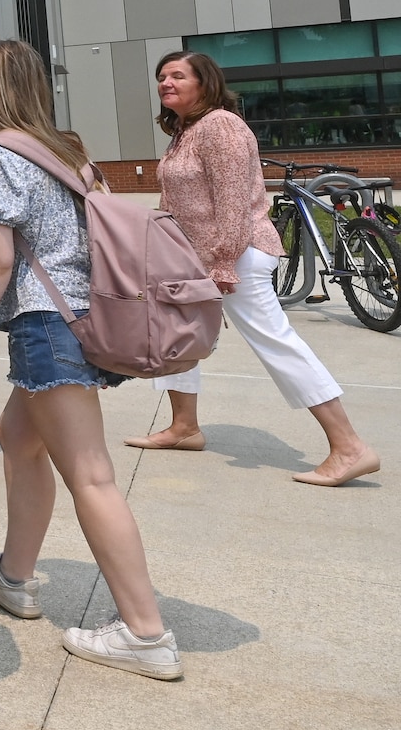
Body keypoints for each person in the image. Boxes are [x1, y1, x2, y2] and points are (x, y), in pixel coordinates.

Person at [0, 39, 182, 680]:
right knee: (15, 437)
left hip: (47, 323)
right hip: (88, 316)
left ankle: (144, 633)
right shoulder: (66, 148)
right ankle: (13, 574)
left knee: (92, 476)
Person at [130, 50, 379, 486]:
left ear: (204, 84)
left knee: (274, 340)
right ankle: (184, 427)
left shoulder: (220, 126)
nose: (165, 83)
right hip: (195, 258)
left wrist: (224, 263)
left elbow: (232, 202)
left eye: (177, 76)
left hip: (235, 255)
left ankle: (349, 447)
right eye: (161, 77)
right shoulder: (186, 130)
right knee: (178, 337)